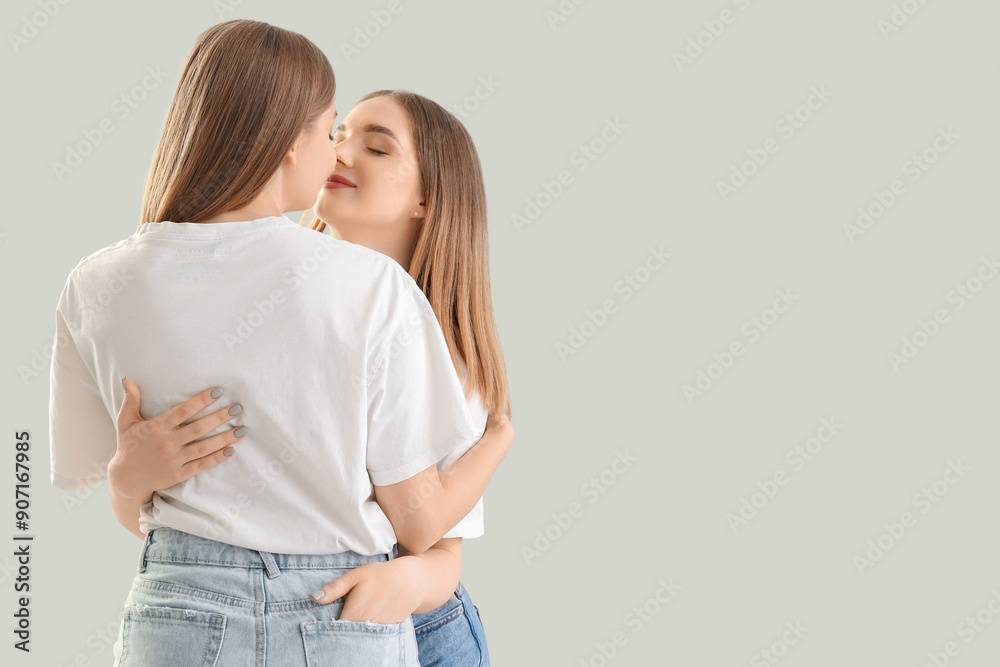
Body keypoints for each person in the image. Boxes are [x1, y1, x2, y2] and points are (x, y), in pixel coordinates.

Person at [47, 20, 511, 667]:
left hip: (190, 600)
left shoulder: (94, 282)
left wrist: (128, 479)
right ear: (291, 144)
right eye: (333, 131)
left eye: (370, 146)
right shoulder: (371, 290)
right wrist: (499, 441)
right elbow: (418, 518)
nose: (338, 154)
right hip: (340, 608)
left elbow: (149, 516)